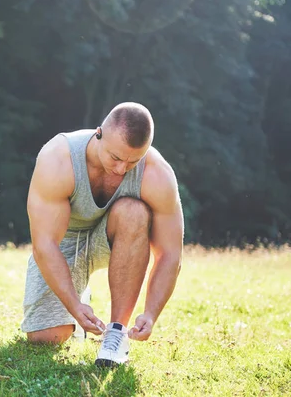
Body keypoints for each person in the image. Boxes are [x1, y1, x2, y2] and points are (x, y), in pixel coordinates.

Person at [21, 102, 184, 368]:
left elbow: (170, 253)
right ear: (98, 134)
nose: (122, 169)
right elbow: (44, 245)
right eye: (116, 158)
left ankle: (116, 334)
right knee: (47, 338)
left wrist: (152, 313)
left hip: (120, 236)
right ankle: (78, 302)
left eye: (133, 161)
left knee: (134, 211)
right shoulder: (58, 158)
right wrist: (74, 305)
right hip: (66, 239)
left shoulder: (158, 174)